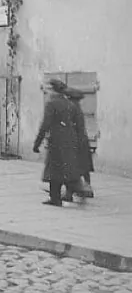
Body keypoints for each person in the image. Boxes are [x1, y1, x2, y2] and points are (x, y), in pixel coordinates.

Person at [33, 78, 85, 206]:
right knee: (66, 168)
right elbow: (78, 125)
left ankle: (55, 198)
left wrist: (37, 143)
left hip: (56, 141)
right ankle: (73, 190)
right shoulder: (70, 104)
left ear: (53, 90)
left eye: (49, 89)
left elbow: (45, 124)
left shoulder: (51, 104)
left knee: (54, 170)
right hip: (70, 140)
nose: (47, 92)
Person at [66, 87, 95, 198]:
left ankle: (70, 192)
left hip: (76, 142)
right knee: (84, 167)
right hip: (83, 141)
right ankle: (87, 189)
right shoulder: (77, 108)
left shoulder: (72, 108)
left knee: (73, 168)